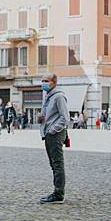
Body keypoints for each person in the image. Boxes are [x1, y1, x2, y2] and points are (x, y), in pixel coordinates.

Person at [38, 73, 69, 203]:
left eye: (46, 81)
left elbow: (65, 118)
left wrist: (52, 130)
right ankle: (57, 192)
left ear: (54, 82)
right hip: (48, 134)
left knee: (57, 164)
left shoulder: (59, 97)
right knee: (53, 164)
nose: (43, 83)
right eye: (42, 81)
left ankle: (58, 194)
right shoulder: (48, 97)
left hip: (55, 134)